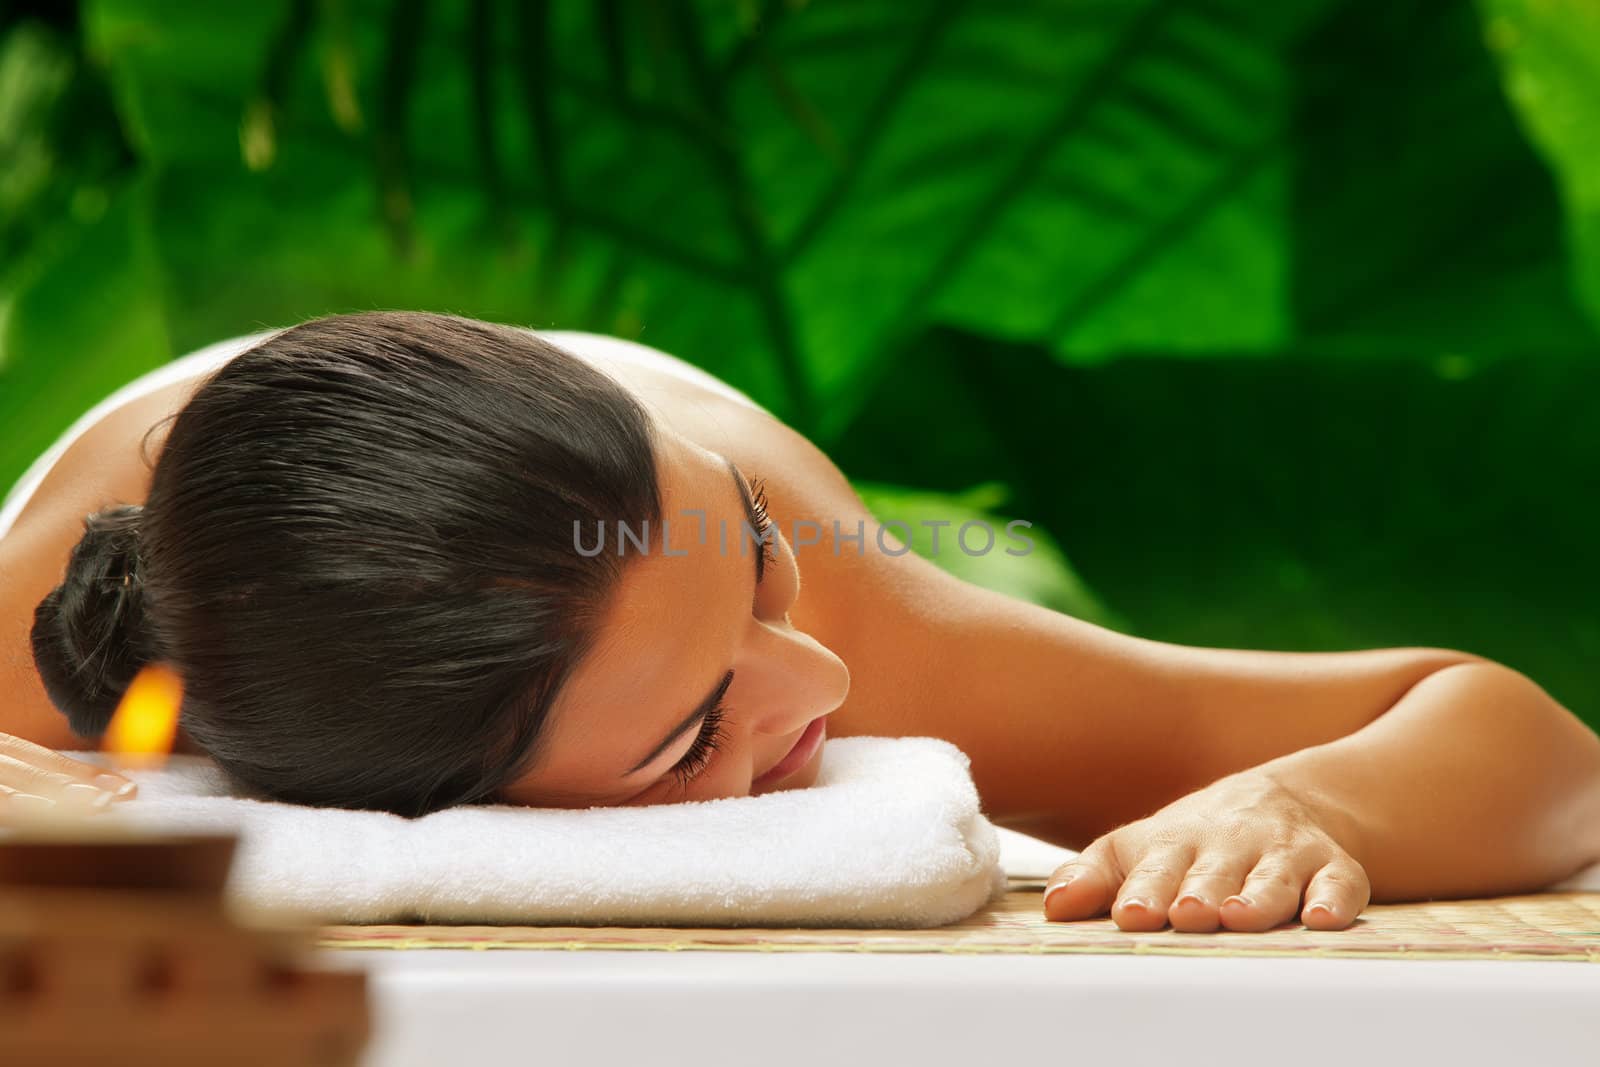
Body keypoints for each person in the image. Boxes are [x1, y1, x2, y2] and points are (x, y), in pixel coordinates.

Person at [3, 310, 1598, 933]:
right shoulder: (45, 633)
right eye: (694, 733)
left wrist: (1310, 797)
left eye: (751, 580)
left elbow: (1521, 734)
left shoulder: (816, 601)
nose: (820, 681)